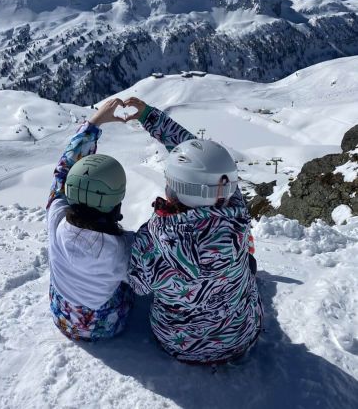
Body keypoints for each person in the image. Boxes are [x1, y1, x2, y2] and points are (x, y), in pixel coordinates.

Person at [124, 96, 263, 365]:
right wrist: (151, 117)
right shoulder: (236, 209)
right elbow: (203, 162)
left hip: (181, 345)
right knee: (248, 263)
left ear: (175, 188)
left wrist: (148, 117)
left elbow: (138, 286)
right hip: (243, 334)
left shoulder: (153, 238)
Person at [47, 98, 134, 341]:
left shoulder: (56, 217)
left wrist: (93, 124)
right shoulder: (122, 247)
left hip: (61, 316)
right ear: (116, 201)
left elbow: (63, 170)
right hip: (105, 325)